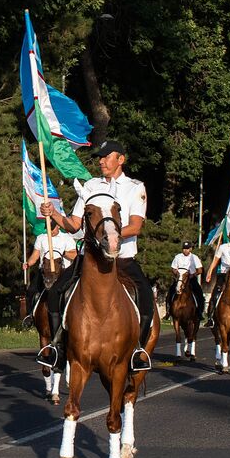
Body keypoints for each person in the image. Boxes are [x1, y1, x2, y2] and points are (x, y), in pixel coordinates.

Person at [37, 139, 156, 372]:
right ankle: (57, 350)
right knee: (54, 294)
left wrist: (108, 235)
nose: (101, 161)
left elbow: (135, 226)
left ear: (120, 159)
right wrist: (54, 213)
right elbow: (73, 225)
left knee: (146, 299)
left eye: (106, 156)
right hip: (89, 260)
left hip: (121, 259)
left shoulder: (135, 187)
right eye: (99, 157)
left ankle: (138, 352)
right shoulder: (90, 186)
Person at [23, 227, 78, 324]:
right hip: (44, 271)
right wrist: (28, 263)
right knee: (31, 290)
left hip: (63, 272)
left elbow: (75, 255)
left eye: (52, 228)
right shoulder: (41, 238)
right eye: (48, 228)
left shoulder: (67, 238)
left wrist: (64, 253)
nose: (51, 231)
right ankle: (30, 315)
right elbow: (35, 255)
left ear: (58, 226)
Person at [169, 241, 205, 319]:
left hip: (191, 279)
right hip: (180, 279)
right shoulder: (178, 257)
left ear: (190, 249)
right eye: (184, 249)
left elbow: (200, 270)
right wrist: (177, 273)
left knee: (199, 293)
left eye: (187, 249)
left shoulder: (194, 257)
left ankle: (199, 312)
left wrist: (192, 275)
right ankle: (169, 311)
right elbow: (173, 268)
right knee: (171, 292)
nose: (185, 250)